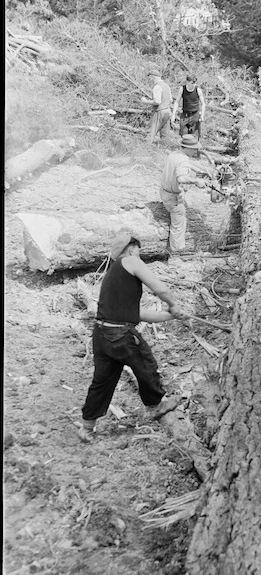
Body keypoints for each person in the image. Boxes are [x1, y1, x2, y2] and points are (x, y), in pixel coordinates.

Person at [78, 233, 187, 442]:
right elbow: (160, 288)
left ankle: (87, 427)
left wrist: (170, 316)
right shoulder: (130, 261)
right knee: (146, 364)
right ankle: (155, 406)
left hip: (102, 335)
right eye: (138, 250)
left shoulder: (114, 275)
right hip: (120, 334)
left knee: (102, 382)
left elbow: (137, 314)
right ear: (131, 249)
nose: (139, 254)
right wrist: (174, 305)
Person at [159, 135, 209, 257]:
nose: (195, 151)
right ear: (187, 148)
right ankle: (176, 255)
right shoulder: (183, 160)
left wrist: (198, 170)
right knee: (179, 223)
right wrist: (196, 181)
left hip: (164, 191)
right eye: (193, 149)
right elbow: (181, 178)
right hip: (173, 198)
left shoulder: (174, 154)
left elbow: (184, 164)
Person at [142, 69, 173, 144]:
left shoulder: (157, 87)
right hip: (167, 111)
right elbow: (171, 100)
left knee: (151, 131)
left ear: (153, 77)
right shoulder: (166, 86)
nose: (149, 80)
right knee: (165, 134)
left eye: (149, 78)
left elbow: (157, 101)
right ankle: (165, 149)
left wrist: (146, 101)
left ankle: (145, 148)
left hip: (160, 111)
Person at [171, 74, 206, 140]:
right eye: (192, 83)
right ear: (187, 82)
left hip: (195, 115)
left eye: (194, 83)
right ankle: (184, 149)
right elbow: (177, 102)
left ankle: (194, 149)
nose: (193, 84)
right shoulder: (182, 89)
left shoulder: (198, 90)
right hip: (185, 115)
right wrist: (173, 115)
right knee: (184, 135)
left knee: (195, 136)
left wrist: (202, 116)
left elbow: (203, 103)